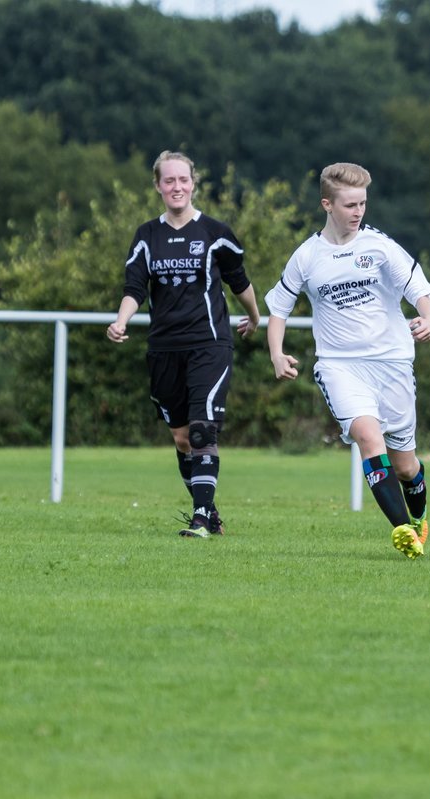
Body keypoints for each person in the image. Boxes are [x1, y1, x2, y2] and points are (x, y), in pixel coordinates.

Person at [264, 162, 430, 559]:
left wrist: (428, 318)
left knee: (406, 464)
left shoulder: (379, 246)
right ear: (327, 204)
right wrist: (277, 352)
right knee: (367, 437)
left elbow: (420, 291)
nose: (358, 212)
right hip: (339, 365)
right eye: (349, 204)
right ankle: (403, 533)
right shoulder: (307, 256)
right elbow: (279, 308)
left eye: (362, 203)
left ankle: (418, 516)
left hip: (392, 363)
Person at [106, 150, 262, 538]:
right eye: (169, 181)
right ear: (158, 186)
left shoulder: (215, 233)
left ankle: (201, 518)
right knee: (181, 438)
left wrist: (256, 317)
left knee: (201, 431)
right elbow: (134, 288)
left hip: (209, 345)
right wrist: (121, 320)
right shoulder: (147, 236)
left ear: (194, 183)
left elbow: (238, 282)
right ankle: (209, 510)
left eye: (183, 180)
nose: (177, 187)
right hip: (163, 349)